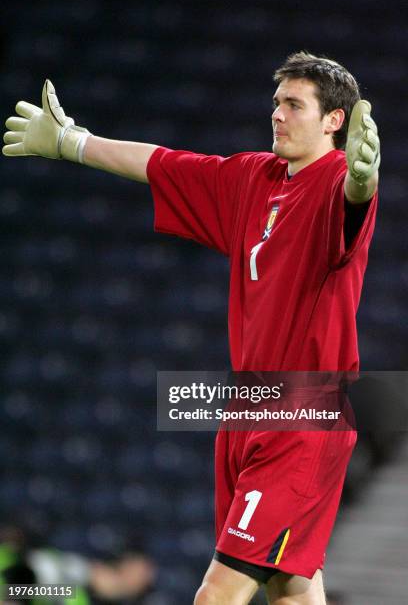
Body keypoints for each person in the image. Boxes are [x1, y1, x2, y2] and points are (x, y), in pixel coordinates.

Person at [3, 51, 380, 604]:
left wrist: (363, 181)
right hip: (245, 410)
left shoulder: (332, 183)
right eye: (276, 103)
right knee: (291, 590)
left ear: (333, 120)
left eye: (294, 105)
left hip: (302, 415)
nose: (277, 114)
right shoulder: (255, 177)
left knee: (216, 594)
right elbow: (163, 163)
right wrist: (73, 142)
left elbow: (354, 201)